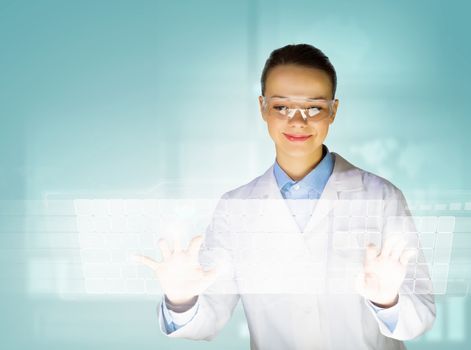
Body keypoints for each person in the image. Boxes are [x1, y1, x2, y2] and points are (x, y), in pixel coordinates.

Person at [134, 44, 436, 349]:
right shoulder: (236, 208)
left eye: (314, 107)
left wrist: (388, 301)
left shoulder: (381, 198)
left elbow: (420, 316)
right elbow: (209, 317)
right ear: (263, 107)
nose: (297, 121)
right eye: (282, 107)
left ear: (333, 110)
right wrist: (180, 299)